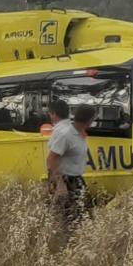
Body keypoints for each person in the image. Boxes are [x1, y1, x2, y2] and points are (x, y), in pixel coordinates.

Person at [45, 96, 93, 228]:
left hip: (75, 180)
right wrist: (59, 184)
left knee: (82, 217)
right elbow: (51, 159)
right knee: (70, 220)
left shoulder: (72, 131)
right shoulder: (65, 133)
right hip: (66, 180)